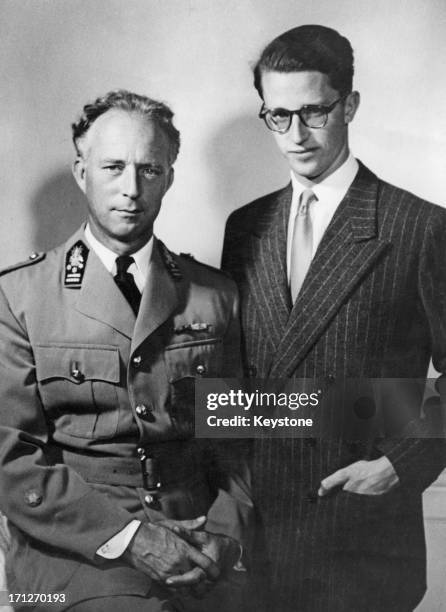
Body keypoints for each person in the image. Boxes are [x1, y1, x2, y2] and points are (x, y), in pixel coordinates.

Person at [0, 90, 252, 612]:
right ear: (81, 171)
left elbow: (235, 439)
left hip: (199, 537)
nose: (131, 189)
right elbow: (10, 456)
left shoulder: (214, 294)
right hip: (75, 551)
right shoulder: (19, 297)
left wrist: (225, 534)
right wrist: (131, 537)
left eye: (150, 169)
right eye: (113, 167)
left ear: (170, 177)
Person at [222, 25, 446, 612]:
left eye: (314, 112)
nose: (295, 135)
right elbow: (235, 375)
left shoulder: (419, 227)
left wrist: (399, 465)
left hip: (364, 538)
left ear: (349, 105)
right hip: (261, 538)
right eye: (277, 116)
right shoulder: (245, 227)